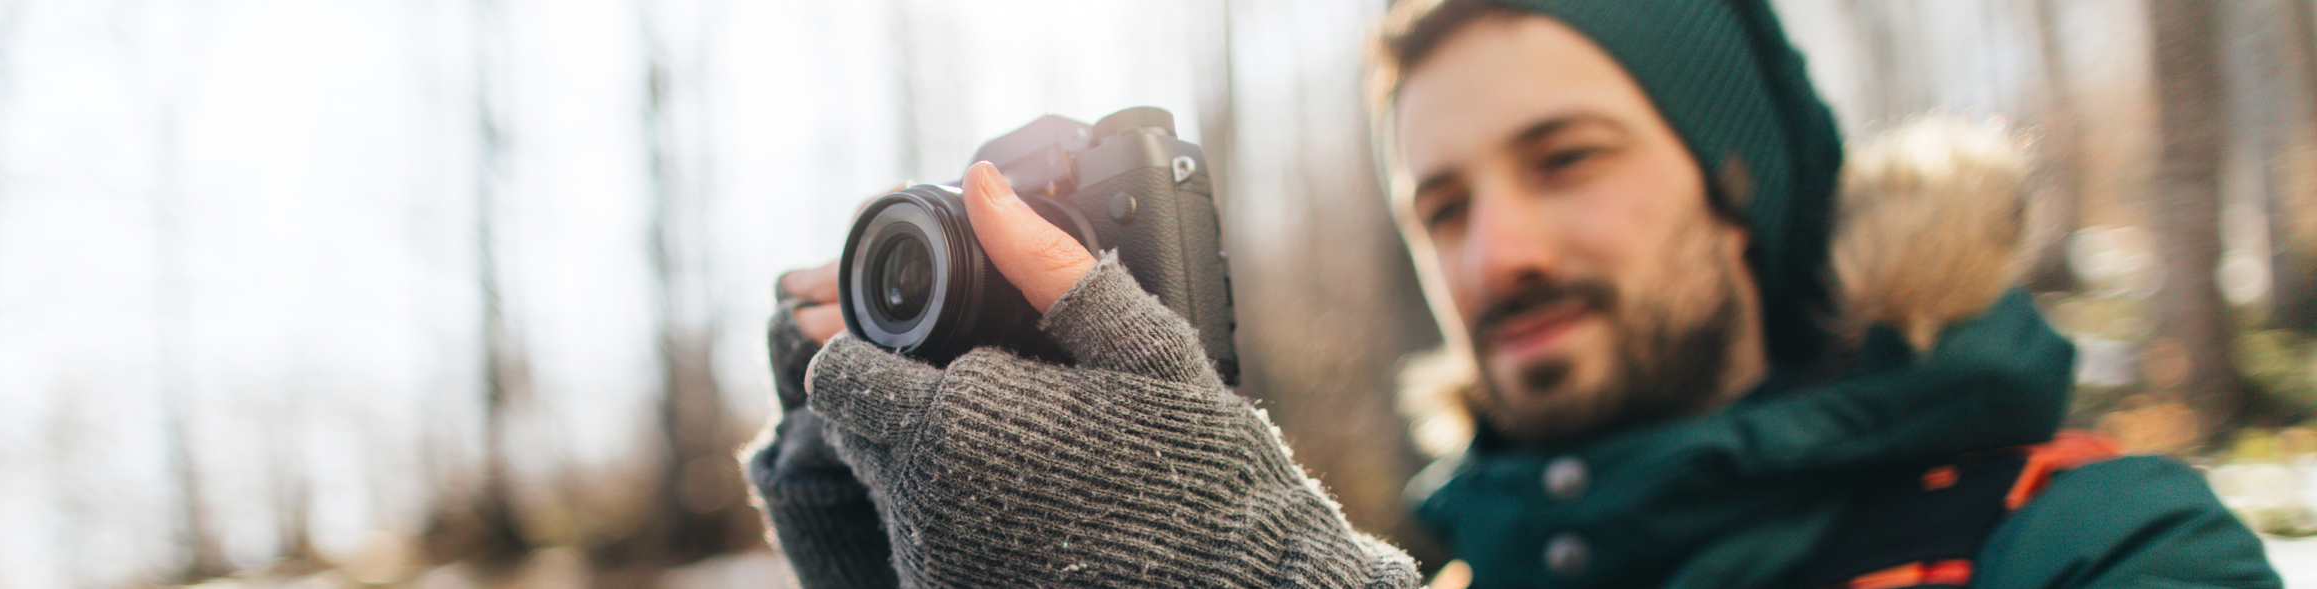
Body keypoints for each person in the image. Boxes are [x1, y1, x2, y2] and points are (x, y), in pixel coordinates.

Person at [745, 0, 2283, 587]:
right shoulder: (1451, 568)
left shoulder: (2099, 536)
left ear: (1738, 185)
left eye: (1568, 158)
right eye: (1446, 203)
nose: (1501, 250)